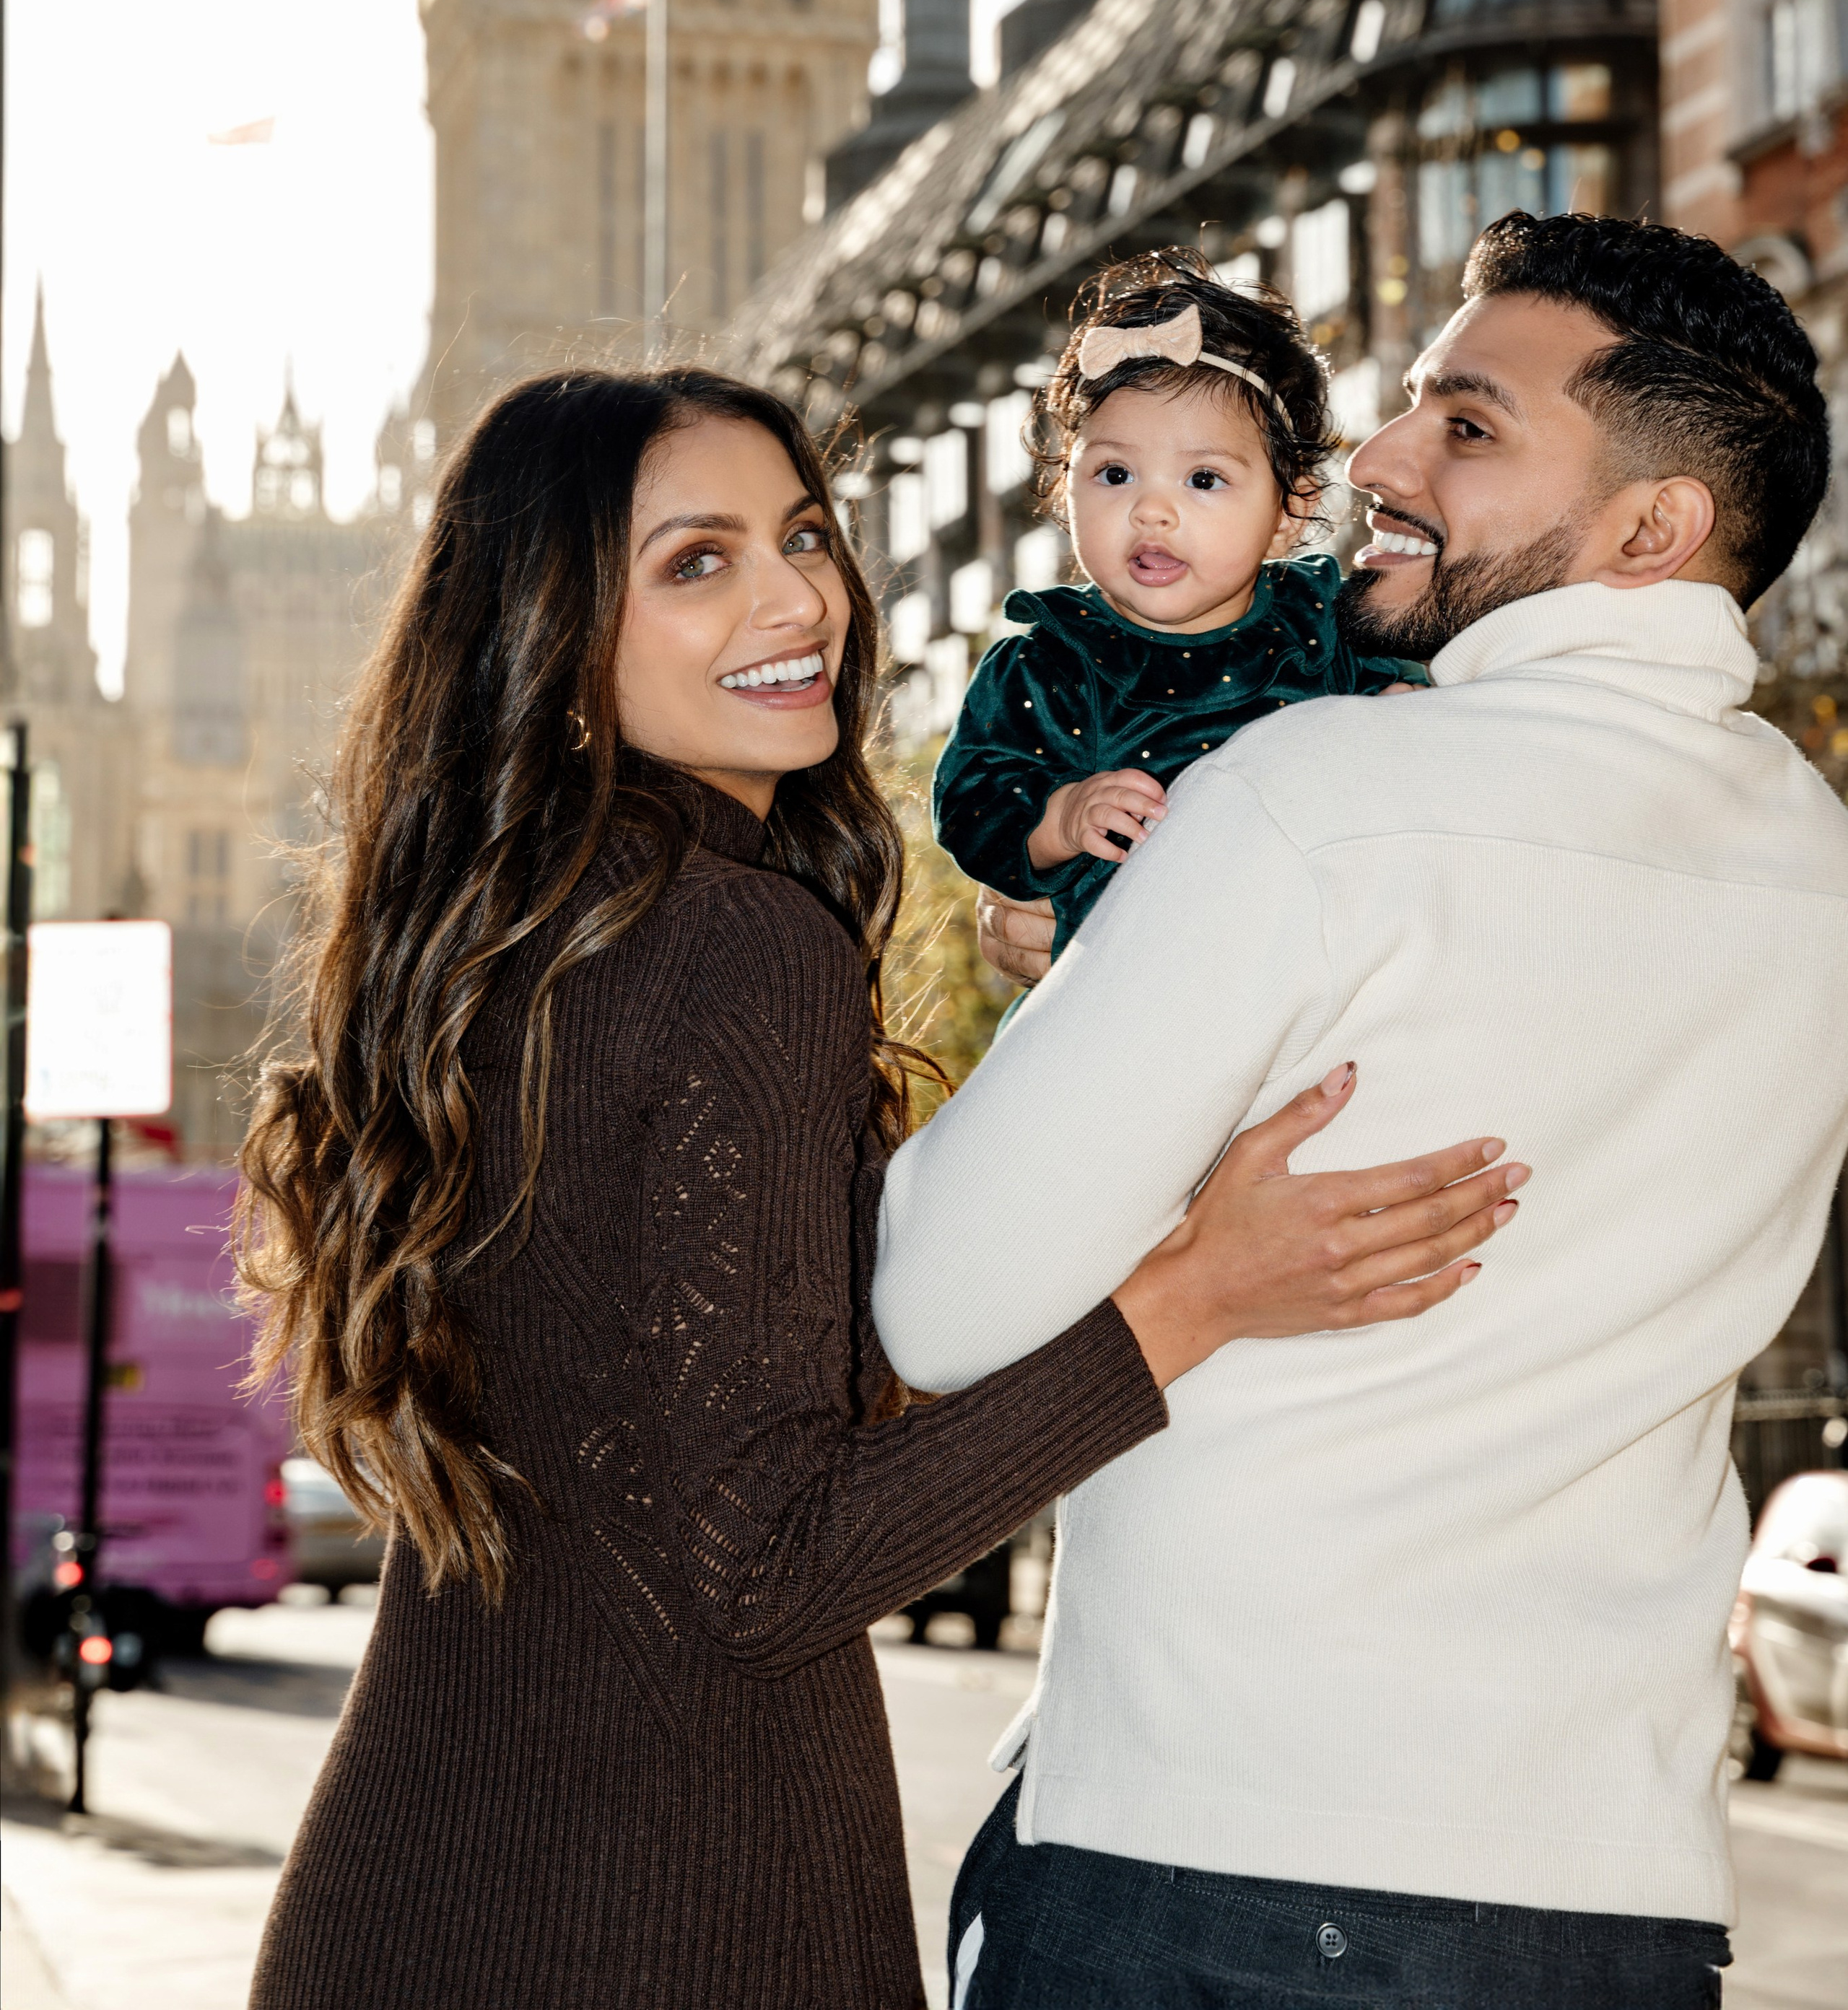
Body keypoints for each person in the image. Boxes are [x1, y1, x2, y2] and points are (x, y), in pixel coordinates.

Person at [235, 367, 1522, 2010]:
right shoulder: (728, 947)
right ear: (553, 640)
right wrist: (1193, 1293)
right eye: (696, 561)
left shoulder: (501, 949)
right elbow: (767, 1560)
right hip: (664, 1915)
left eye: (802, 537)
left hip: (409, 1887)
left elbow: (694, 1424)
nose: (798, 600)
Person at [873, 213, 1848, 2010]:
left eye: (1463, 427)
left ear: (1648, 528)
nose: (1377, 463)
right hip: (1605, 1894)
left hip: (1204, 1849)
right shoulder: (1817, 863)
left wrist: (1079, 1003)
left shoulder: (1301, 795)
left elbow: (935, 1300)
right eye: (1403, 407)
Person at [933, 254, 1418, 961]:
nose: (1151, 509)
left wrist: (1406, 716)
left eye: (1202, 477)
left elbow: (1423, 718)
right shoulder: (1051, 662)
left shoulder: (1328, 624)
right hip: (1129, 982)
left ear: (1290, 509)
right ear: (1061, 488)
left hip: (1308, 960)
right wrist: (1059, 818)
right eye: (1114, 473)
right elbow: (973, 803)